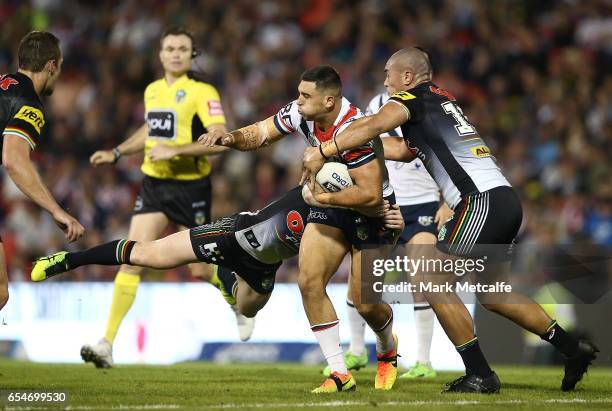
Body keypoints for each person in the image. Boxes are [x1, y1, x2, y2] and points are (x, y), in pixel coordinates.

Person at [302, 47, 598, 393]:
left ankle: (480, 374)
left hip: (478, 202)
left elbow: (371, 126)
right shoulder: (441, 101)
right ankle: (571, 348)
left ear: (408, 77)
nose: (385, 81)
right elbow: (397, 149)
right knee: (492, 294)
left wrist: (324, 149)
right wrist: (359, 149)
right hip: (503, 199)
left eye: (388, 74)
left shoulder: (411, 99)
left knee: (429, 279)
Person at [199, 66, 401, 393]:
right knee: (308, 281)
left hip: (373, 215)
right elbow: (263, 132)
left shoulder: (357, 130)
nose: (298, 101)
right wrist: (230, 138)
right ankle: (339, 373)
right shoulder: (302, 112)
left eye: (306, 96)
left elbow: (370, 195)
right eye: (299, 93)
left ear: (329, 101)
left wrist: (320, 195)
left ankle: (386, 346)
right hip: (331, 208)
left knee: (367, 304)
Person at [80, 27, 249, 369]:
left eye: (182, 48)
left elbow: (220, 137)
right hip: (155, 186)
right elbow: (149, 131)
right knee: (132, 257)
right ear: (160, 54)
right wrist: (117, 152)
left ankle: (237, 301)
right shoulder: (154, 90)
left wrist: (175, 151)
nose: (175, 53)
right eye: (169, 48)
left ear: (192, 55)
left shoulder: (203, 92)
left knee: (201, 270)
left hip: (191, 188)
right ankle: (107, 343)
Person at [31, 188, 404, 328]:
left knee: (247, 309)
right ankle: (68, 260)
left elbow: (372, 213)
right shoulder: (315, 186)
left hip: (265, 264)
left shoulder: (341, 218)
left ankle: (221, 279)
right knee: (147, 254)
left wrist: (391, 217)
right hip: (230, 237)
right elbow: (315, 178)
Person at [322, 90, 453, 379]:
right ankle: (356, 351)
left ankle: (423, 361)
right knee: (359, 281)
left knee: (422, 278)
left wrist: (447, 200)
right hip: (384, 204)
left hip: (424, 204)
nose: (387, 78)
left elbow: (448, 155)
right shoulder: (375, 105)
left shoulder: (433, 108)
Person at [0, 31, 85, 311]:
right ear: (50, 65)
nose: (58, 75)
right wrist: (55, 209)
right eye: (59, 67)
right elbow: (14, 159)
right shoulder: (28, 104)